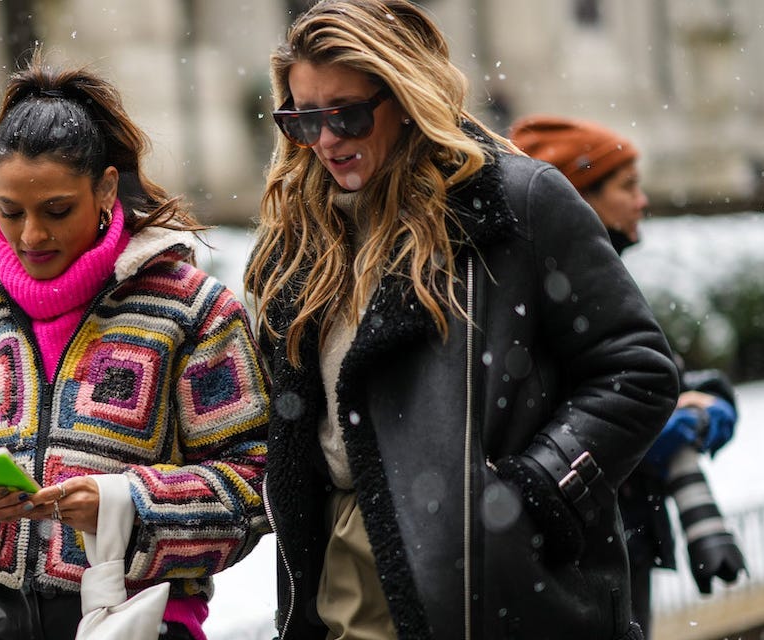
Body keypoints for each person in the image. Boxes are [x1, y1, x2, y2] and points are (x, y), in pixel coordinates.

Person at [244, 1, 680, 638]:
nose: (326, 140)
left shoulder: (517, 202)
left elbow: (637, 371)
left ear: (407, 95)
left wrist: (534, 495)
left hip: (493, 579)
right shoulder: (297, 238)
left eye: (347, 114)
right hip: (341, 574)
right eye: (302, 118)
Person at [0, 58, 271, 640]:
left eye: (56, 210)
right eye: (10, 211)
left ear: (104, 187)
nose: (31, 235)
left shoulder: (194, 309)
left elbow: (257, 483)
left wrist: (125, 504)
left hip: (141, 623)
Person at [511, 114, 746, 637]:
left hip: (622, 533)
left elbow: (656, 371)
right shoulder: (543, 292)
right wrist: (654, 425)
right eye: (627, 186)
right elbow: (576, 404)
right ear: (577, 197)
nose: (643, 201)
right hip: (580, 543)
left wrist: (705, 397)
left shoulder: (599, 275)